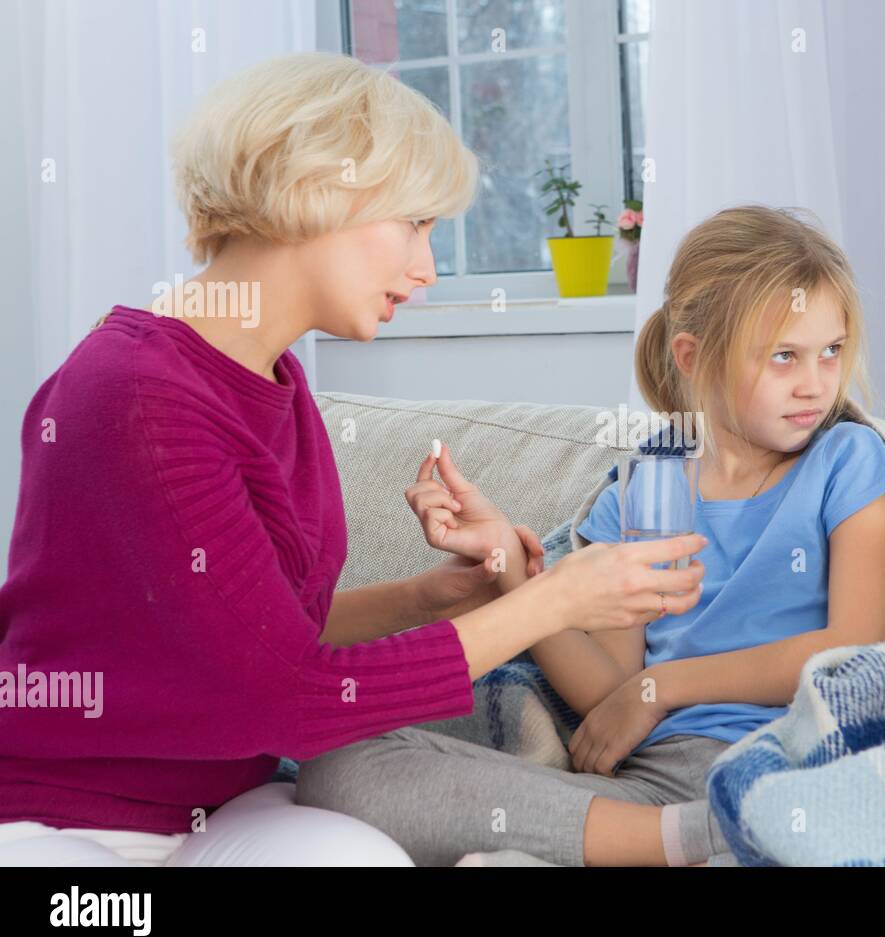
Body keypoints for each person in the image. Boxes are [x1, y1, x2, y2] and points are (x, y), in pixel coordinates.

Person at [0, 52, 706, 867]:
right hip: (61, 819)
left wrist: (436, 595)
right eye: (414, 223)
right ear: (315, 190)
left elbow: (255, 636)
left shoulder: (278, 382)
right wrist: (555, 602)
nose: (428, 269)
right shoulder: (134, 393)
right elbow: (285, 696)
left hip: (222, 806)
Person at [295, 204, 885, 866]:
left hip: (786, 761)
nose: (815, 383)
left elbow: (857, 646)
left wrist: (663, 688)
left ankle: (730, 831)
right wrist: (508, 563)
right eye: (785, 357)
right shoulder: (645, 487)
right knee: (336, 766)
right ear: (694, 359)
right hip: (654, 788)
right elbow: (607, 687)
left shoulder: (847, 459)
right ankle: (693, 841)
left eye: (831, 352)